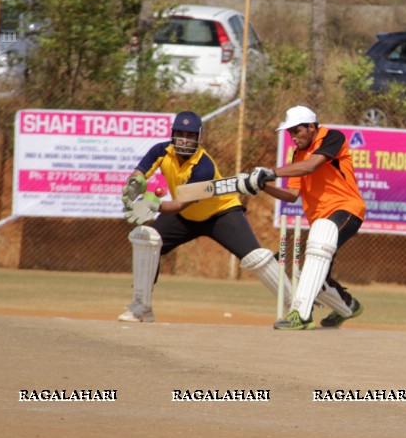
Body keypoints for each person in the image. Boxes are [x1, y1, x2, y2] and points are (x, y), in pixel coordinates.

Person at [118, 110, 290, 322]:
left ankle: (296, 306)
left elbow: (179, 204)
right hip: (184, 217)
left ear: (199, 137)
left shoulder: (203, 167)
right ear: (172, 134)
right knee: (147, 240)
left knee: (256, 258)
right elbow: (138, 174)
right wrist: (134, 186)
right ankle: (142, 307)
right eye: (180, 133)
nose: (184, 140)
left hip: (220, 212)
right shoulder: (160, 151)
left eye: (190, 135)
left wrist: (153, 205)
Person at [242, 105, 365, 330]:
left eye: (297, 131)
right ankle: (348, 307)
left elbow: (310, 166)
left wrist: (270, 172)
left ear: (311, 127)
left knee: (315, 255)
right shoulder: (298, 154)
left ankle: (301, 315)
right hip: (320, 221)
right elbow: (291, 195)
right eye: (289, 133)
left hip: (347, 210)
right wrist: (263, 185)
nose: (293, 137)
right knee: (318, 280)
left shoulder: (332, 137)